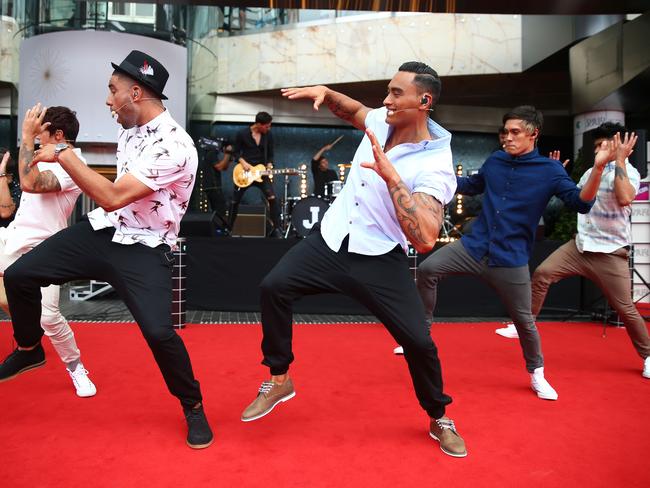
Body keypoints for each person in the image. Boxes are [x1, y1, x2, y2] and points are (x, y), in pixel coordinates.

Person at [241, 62, 467, 458]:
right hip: (330, 239)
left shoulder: (436, 162)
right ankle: (279, 378)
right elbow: (356, 110)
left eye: (397, 93)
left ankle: (438, 416)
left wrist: (392, 177)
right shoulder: (382, 118)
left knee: (418, 342)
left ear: (424, 101)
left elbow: (428, 237)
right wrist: (328, 95)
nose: (387, 100)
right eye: (388, 90)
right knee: (273, 287)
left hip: (379, 257)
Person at [0, 51, 213, 448]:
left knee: (159, 333)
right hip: (105, 231)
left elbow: (113, 195)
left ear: (136, 93)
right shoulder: (129, 125)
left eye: (112, 91)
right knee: (19, 275)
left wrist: (64, 155)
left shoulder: (175, 146)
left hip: (146, 248)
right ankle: (30, 347)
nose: (107, 100)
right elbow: (113, 205)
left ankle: (193, 405)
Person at [417, 105, 610, 401]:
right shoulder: (495, 160)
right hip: (474, 246)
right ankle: (422, 332)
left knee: (523, 320)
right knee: (428, 270)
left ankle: (537, 374)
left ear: (533, 134)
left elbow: (581, 204)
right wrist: (431, 176)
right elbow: (471, 185)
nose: (507, 137)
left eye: (515, 132)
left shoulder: (550, 170)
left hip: (510, 258)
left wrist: (596, 169)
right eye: (504, 132)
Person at [497, 123, 650, 379]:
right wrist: (556, 176)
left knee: (625, 307)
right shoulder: (591, 171)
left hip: (610, 253)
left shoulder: (628, 172)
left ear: (619, 147)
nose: (600, 150)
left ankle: (647, 356)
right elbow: (578, 199)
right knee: (543, 273)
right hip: (579, 246)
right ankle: (525, 325)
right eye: (597, 146)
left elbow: (624, 198)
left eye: (606, 145)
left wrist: (620, 160)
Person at [0, 107, 96, 397]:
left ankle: (76, 368)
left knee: (49, 318)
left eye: (41, 134)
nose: (36, 140)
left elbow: (31, 183)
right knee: (15, 303)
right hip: (13, 239)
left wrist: (26, 138)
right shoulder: (41, 154)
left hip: (45, 249)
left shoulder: (73, 162)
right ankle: (27, 339)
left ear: (58, 135)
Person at [228, 111, 282, 237]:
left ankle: (277, 229)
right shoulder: (242, 134)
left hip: (261, 172)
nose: (269, 128)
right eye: (267, 126)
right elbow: (235, 152)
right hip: (244, 172)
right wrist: (242, 162)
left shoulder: (268, 135)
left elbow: (270, 154)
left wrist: (269, 164)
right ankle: (229, 229)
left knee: (272, 198)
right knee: (234, 201)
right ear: (258, 124)